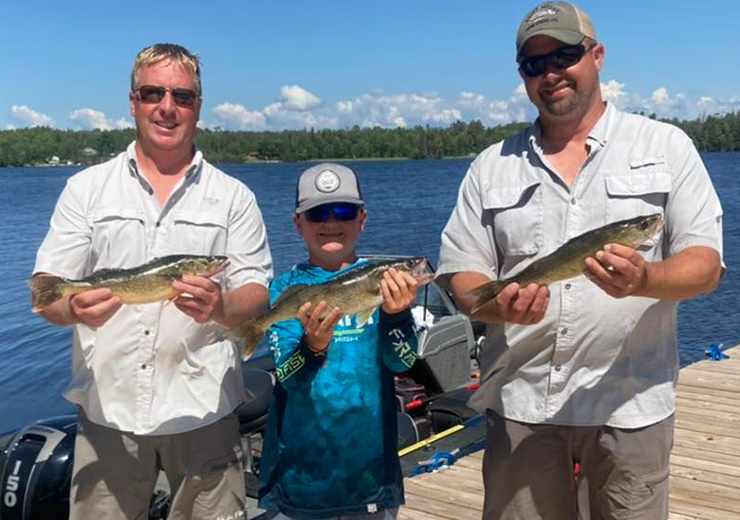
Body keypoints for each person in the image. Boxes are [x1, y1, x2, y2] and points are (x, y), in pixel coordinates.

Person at [436, 3, 724, 519]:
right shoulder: (490, 165)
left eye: (565, 55)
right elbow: (463, 272)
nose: (550, 73)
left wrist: (647, 278)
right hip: (522, 406)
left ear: (597, 56)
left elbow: (706, 265)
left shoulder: (666, 146)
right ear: (522, 75)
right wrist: (499, 305)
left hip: (631, 406)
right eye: (533, 64)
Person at [31, 43, 273, 520]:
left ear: (198, 107)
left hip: (203, 409)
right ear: (133, 101)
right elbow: (47, 291)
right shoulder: (86, 189)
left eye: (182, 96)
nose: (167, 106)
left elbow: (256, 290)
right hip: (108, 412)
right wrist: (71, 308)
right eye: (153, 92)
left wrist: (221, 307)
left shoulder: (233, 197)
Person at [258, 163, 420, 520]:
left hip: (371, 479)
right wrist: (313, 346)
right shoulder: (285, 291)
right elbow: (289, 377)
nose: (331, 222)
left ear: (362, 219)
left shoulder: (385, 282)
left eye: (344, 211)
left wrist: (395, 316)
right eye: (317, 213)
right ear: (298, 224)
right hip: (302, 481)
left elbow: (403, 362)